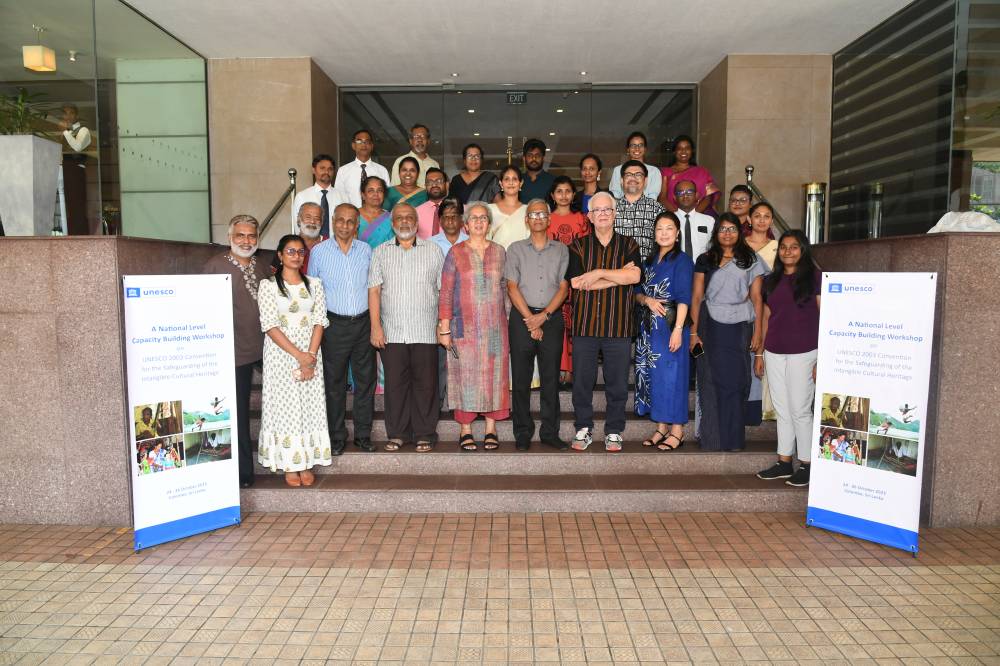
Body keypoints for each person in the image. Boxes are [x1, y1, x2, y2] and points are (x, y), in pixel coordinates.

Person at [566, 191, 643, 452]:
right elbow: (577, 283)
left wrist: (597, 273)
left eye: (607, 209)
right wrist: (618, 275)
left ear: (615, 213)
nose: (602, 214)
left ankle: (613, 431)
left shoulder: (629, 245)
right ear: (589, 216)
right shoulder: (577, 246)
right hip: (585, 326)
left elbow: (635, 278)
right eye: (597, 210)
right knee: (582, 382)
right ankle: (583, 428)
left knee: (618, 383)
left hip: (618, 326)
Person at [368, 203, 444, 452]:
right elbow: (375, 291)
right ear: (392, 223)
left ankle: (425, 433)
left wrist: (442, 325)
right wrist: (375, 326)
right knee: (395, 385)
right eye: (399, 218)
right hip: (392, 331)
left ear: (416, 222)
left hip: (425, 330)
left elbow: (443, 292)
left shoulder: (433, 251)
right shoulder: (380, 252)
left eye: (409, 218)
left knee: (426, 384)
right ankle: (398, 433)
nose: (404, 222)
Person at [257, 234, 331, 487]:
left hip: (311, 352)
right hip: (281, 355)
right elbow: (269, 324)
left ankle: (307, 462)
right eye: (290, 251)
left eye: (300, 252)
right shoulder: (268, 286)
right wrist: (298, 355)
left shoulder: (314, 284)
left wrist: (309, 355)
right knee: (286, 410)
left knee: (309, 407)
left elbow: (320, 320)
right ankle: (290, 463)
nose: (296, 256)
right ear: (279, 255)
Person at [689, 213, 766, 452]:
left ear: (739, 232)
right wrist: (693, 332)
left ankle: (733, 440)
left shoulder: (750, 259)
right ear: (716, 233)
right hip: (710, 324)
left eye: (732, 229)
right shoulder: (705, 259)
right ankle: (713, 439)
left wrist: (758, 334)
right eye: (722, 229)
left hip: (740, 327)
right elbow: (697, 296)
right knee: (712, 381)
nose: (727, 233)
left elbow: (757, 299)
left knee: (736, 381)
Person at [203, 214, 270, 488]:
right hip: (233, 352)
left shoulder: (262, 265)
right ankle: (243, 473)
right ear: (230, 237)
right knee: (239, 414)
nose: (246, 240)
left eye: (251, 235)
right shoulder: (214, 267)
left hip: (266, 348)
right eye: (240, 235)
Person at [438, 202, 511, 451]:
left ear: (489, 224)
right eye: (474, 218)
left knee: (495, 376)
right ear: (465, 225)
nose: (479, 222)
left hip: (495, 328)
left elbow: (505, 290)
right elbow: (446, 292)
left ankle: (491, 428)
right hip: (463, 328)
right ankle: (465, 430)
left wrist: (509, 323)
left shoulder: (500, 252)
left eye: (483, 218)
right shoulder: (455, 252)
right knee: (464, 378)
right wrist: (444, 328)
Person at [307, 203, 376, 455]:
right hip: (333, 324)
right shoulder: (319, 252)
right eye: (341, 220)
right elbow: (312, 293)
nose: (345, 226)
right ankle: (336, 437)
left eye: (350, 221)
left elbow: (374, 288)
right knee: (334, 383)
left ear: (357, 224)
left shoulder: (367, 250)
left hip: (363, 323)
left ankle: (363, 435)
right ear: (333, 221)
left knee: (364, 382)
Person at [755, 230, 821, 488]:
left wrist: (822, 358)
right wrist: (760, 352)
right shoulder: (771, 280)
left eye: (794, 247)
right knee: (782, 410)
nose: (788, 251)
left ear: (803, 250)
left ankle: (806, 463)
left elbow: (826, 317)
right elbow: (767, 318)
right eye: (783, 247)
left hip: (805, 352)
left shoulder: (815, 278)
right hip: (774, 351)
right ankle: (784, 462)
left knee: (800, 410)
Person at [506, 199, 569, 450]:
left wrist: (543, 317)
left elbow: (564, 287)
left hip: (551, 318)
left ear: (549, 218)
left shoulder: (561, 249)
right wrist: (531, 320)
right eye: (533, 214)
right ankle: (522, 432)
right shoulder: (515, 249)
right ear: (527, 220)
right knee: (520, 380)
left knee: (550, 379)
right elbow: (511, 286)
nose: (538, 218)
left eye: (543, 213)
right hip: (522, 318)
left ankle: (550, 432)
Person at [634, 212, 694, 451]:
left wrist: (678, 330)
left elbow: (684, 298)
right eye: (659, 228)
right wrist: (646, 299)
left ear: (677, 233)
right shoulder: (648, 261)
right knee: (655, 378)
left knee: (675, 378)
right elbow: (636, 292)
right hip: (649, 329)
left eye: (669, 228)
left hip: (671, 325)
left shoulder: (683, 261)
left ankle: (677, 431)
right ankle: (661, 427)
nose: (664, 232)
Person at [548, 175, 590, 386]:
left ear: (574, 194)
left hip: (578, 278)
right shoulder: (546, 219)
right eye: (559, 191)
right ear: (552, 195)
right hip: (553, 280)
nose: (563, 195)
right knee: (557, 325)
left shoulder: (582, 219)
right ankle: (559, 368)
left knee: (575, 325)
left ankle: (572, 370)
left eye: (567, 191)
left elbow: (588, 250)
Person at [428, 197, 467, 410]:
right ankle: (439, 403)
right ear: (440, 220)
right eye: (446, 217)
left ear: (462, 219)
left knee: (464, 359)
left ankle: (461, 404)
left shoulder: (472, 241)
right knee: (439, 359)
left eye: (455, 216)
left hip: (465, 310)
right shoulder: (431, 244)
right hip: (438, 309)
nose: (450, 221)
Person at [658, 135, 720, 215]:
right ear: (674, 152)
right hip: (673, 217)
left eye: (687, 148)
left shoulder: (702, 171)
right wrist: (679, 215)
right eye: (679, 148)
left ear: (691, 151)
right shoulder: (665, 172)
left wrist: (694, 214)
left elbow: (708, 196)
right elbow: (662, 198)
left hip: (701, 215)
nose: (683, 151)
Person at [615, 160, 664, 258]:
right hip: (615, 269)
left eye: (638, 175)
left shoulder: (657, 209)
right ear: (621, 180)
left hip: (646, 270)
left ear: (645, 181)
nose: (633, 178)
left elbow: (664, 244)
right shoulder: (610, 209)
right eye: (628, 175)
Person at [334, 129, 390, 207]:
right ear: (353, 145)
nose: (364, 145)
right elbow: (338, 198)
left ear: (372, 146)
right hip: (351, 217)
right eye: (359, 141)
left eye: (367, 142)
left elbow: (386, 198)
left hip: (376, 217)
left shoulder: (382, 171)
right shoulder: (343, 171)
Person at [291, 154, 342, 237]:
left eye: (330, 169)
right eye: (322, 168)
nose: (326, 172)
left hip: (335, 245)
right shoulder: (302, 196)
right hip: (310, 245)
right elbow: (298, 226)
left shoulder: (342, 196)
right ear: (313, 170)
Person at [608, 132, 661, 200]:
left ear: (645, 149)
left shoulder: (654, 171)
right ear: (628, 149)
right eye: (633, 145)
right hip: (622, 208)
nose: (637, 148)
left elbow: (653, 196)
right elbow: (615, 194)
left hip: (648, 208)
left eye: (640, 145)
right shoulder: (618, 170)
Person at [672, 179, 714, 261]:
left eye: (689, 192)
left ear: (697, 195)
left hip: (703, 269)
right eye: (680, 193)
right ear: (674, 197)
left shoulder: (709, 221)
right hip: (676, 269)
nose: (685, 195)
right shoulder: (668, 220)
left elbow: (714, 248)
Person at [488, 166, 529, 249]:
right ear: (501, 184)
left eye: (514, 179)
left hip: (523, 259)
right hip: (497, 258)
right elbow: (485, 240)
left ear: (521, 183)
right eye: (507, 179)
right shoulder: (490, 209)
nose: (511, 182)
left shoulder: (528, 210)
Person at [357, 176, 395, 248]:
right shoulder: (353, 216)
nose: (376, 194)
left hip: (386, 258)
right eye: (371, 191)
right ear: (363, 195)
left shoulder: (391, 218)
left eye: (380, 190)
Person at [415, 167, 449, 239]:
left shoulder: (459, 210)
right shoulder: (416, 212)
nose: (434, 185)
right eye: (430, 182)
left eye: (439, 181)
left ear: (446, 185)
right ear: (425, 186)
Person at [519, 138, 555, 203]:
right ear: (524, 158)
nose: (534, 159)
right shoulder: (517, 180)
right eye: (530, 155)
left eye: (537, 155)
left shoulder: (553, 181)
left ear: (543, 158)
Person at [745, 202, 779, 269]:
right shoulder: (740, 244)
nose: (762, 220)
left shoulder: (776, 246)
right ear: (749, 220)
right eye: (757, 216)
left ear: (771, 221)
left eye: (766, 216)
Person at [295, 202, 325, 272]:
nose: (312, 222)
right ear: (299, 220)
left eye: (317, 218)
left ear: (322, 222)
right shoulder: (287, 244)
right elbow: (275, 276)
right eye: (308, 217)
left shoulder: (331, 245)